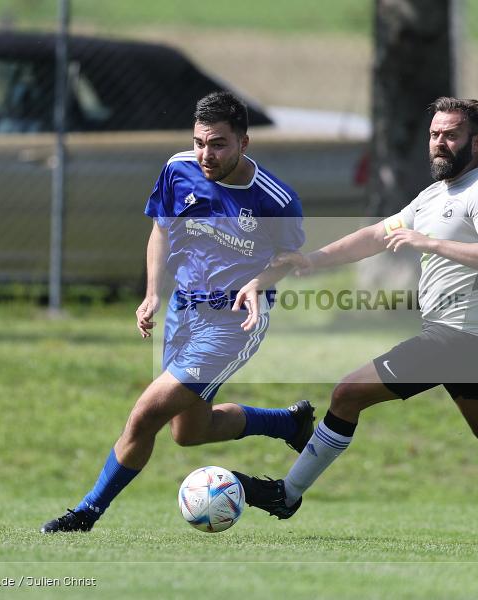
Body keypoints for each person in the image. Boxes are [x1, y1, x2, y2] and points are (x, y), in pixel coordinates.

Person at [233, 97, 478, 546]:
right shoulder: (434, 195)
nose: (440, 143)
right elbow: (376, 235)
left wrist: (430, 244)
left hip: (459, 339)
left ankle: (287, 494)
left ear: (477, 140)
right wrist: (310, 259)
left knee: (346, 394)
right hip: (465, 337)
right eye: (435, 134)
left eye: (451, 134)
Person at [41, 91, 314, 533]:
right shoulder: (178, 169)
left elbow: (292, 259)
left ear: (244, 143)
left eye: (219, 144)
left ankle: (86, 513)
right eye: (200, 142)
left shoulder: (275, 200)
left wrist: (258, 282)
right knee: (189, 431)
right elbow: (160, 230)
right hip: (182, 313)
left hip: (232, 323)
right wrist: (152, 293)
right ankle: (289, 423)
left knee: (145, 413)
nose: (206, 154)